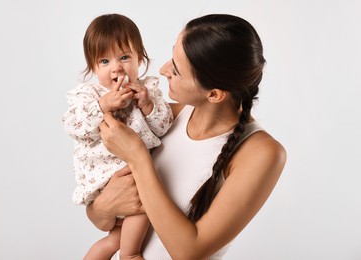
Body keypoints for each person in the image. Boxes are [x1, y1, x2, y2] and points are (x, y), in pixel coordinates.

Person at [88, 14, 287, 259]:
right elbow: (100, 219)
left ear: (214, 95)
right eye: (172, 56)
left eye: (177, 70)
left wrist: (138, 157)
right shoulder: (162, 120)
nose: (162, 70)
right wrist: (102, 207)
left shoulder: (262, 153)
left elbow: (189, 252)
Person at [62, 14, 173, 260]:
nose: (117, 67)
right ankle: (131, 254)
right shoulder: (88, 95)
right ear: (93, 67)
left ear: (140, 59)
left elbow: (164, 127)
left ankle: (115, 251)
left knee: (115, 237)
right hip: (104, 174)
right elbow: (74, 127)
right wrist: (102, 105)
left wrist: (147, 105)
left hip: (134, 170)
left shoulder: (148, 90)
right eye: (104, 61)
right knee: (145, 203)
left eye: (124, 57)